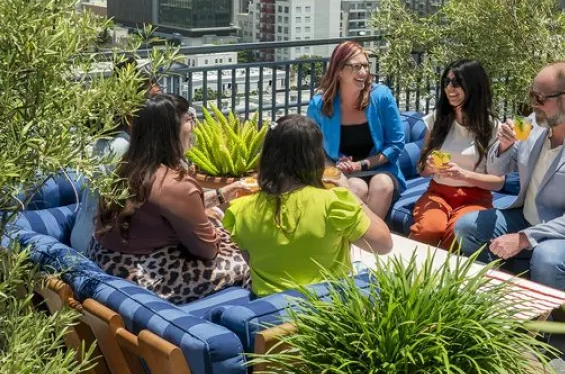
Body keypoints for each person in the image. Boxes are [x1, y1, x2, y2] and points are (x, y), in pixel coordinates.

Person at [453, 62, 565, 290]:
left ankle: (543, 325)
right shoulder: (534, 124)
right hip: (525, 216)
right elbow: (496, 171)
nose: (533, 104)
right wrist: (503, 146)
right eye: (532, 95)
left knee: (546, 258)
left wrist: (523, 238)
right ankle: (495, 301)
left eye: (540, 99)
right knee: (466, 227)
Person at [89, 94, 249, 303]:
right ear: (170, 132)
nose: (193, 125)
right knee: (249, 257)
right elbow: (207, 250)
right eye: (188, 119)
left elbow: (163, 208)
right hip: (147, 276)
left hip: (108, 262)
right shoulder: (176, 184)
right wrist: (215, 226)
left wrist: (221, 194)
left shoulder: (129, 168)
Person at [223, 115, 392, 295]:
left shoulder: (239, 210)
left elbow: (253, 261)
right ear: (315, 156)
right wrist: (352, 196)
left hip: (270, 313)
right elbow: (384, 245)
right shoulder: (334, 202)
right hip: (327, 310)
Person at [70, 58, 161, 254]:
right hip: (96, 247)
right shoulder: (124, 148)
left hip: (81, 236)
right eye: (154, 100)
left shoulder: (105, 140)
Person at [307, 42, 405, 219]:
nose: (363, 72)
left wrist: (361, 164)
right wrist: (335, 167)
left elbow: (396, 144)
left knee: (382, 185)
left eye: (366, 66)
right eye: (356, 67)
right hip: (343, 171)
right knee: (355, 188)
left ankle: (372, 243)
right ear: (338, 71)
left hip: (381, 167)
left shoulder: (381, 96)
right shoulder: (319, 105)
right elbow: (314, 150)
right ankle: (350, 243)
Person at [409, 60, 500, 249]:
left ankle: (443, 278)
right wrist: (428, 165)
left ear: (473, 86)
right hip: (438, 194)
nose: (450, 88)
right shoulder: (437, 119)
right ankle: (410, 276)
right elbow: (421, 169)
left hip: (475, 198)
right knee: (429, 229)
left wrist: (463, 174)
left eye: (457, 83)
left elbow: (498, 181)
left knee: (457, 234)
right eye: (446, 82)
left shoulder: (492, 127)